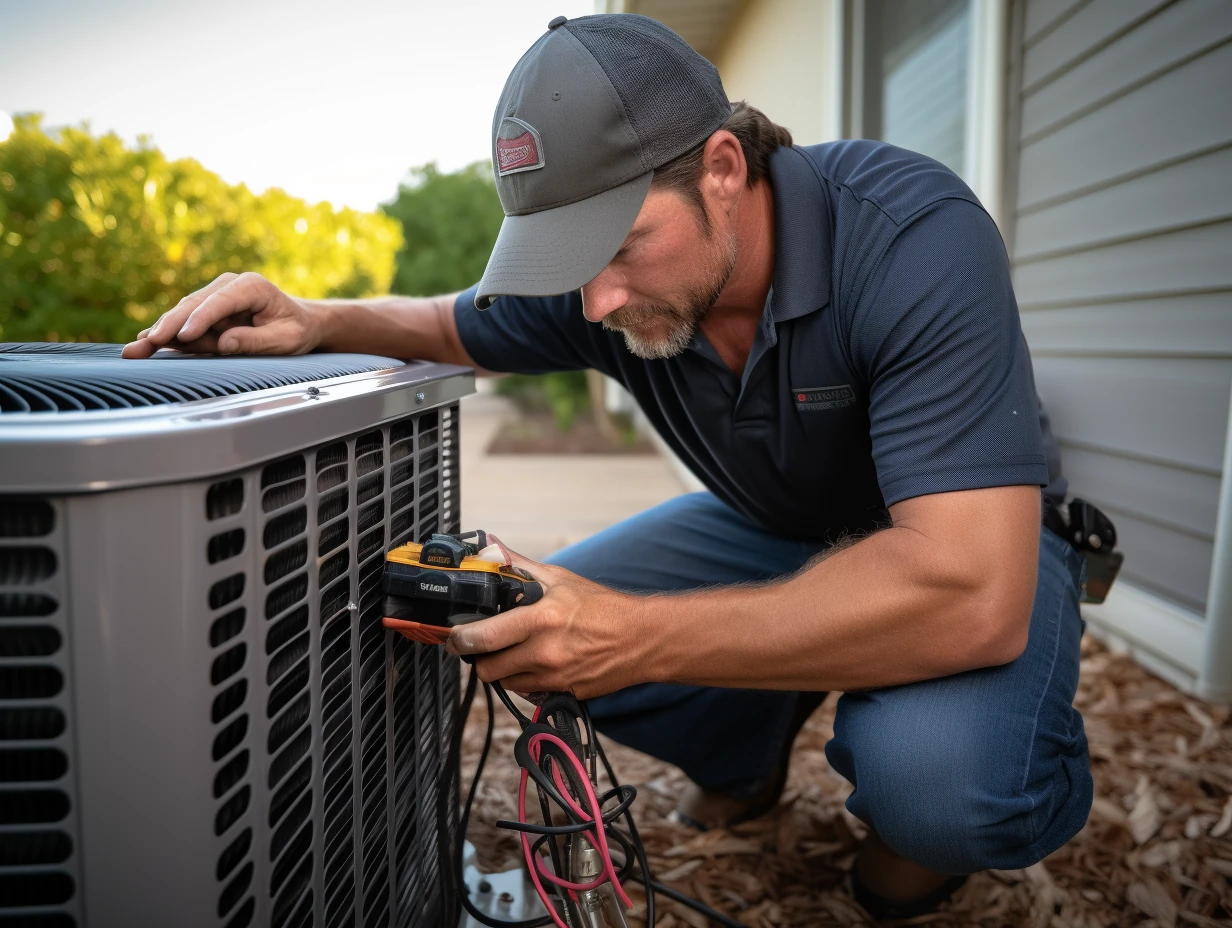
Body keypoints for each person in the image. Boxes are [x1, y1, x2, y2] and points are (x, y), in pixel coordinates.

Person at [123, 12, 1091, 920]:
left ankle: (911, 854)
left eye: (621, 246)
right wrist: (319, 318)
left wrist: (634, 636)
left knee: (937, 787)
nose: (593, 304)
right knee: (522, 617)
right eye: (566, 260)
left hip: (965, 536)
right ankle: (746, 753)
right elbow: (448, 323)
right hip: (772, 524)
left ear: (721, 166)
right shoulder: (602, 277)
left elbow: (967, 590)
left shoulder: (908, 236)